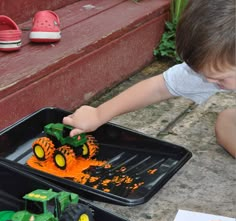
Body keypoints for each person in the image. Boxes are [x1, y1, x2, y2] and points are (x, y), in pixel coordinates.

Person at [63, 0, 236, 158]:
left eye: (219, 79)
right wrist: (98, 114)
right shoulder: (218, 65)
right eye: (204, 75)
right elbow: (158, 88)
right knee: (226, 123)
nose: (208, 81)